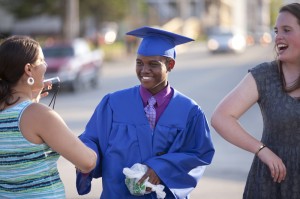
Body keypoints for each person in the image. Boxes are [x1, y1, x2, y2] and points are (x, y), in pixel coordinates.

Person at [76, 26, 215, 198]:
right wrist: (85, 158)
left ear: (170, 65)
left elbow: (199, 154)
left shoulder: (189, 111)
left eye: (153, 64)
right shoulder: (113, 103)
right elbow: (91, 139)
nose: (144, 70)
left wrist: (161, 168)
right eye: (139, 63)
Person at [211, 3, 300, 199]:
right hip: (272, 182)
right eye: (277, 31)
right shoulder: (265, 75)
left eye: (287, 30)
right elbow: (221, 117)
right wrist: (262, 150)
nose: (278, 37)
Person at [0, 35, 97, 198]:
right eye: (42, 60)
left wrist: (32, 99)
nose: (45, 65)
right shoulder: (39, 115)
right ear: (29, 69)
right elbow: (87, 162)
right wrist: (94, 147)